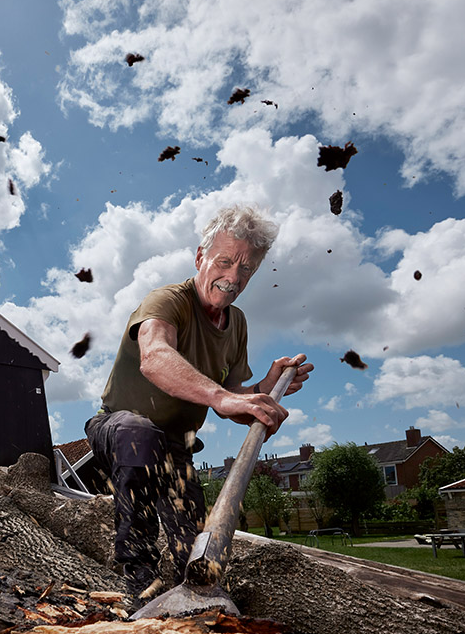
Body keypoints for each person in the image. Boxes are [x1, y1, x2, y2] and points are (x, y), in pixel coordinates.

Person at [85, 205, 313, 601]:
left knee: (193, 552)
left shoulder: (236, 322)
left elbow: (233, 395)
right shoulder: (168, 301)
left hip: (177, 448)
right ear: (199, 257)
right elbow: (155, 357)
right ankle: (136, 575)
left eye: (246, 270)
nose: (232, 278)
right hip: (119, 431)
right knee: (139, 435)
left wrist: (263, 388)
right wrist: (222, 397)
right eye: (224, 262)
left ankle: (180, 595)